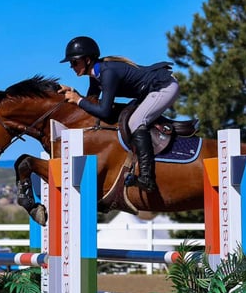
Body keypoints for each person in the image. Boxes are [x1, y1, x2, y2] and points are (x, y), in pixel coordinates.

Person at [58, 36, 179, 192]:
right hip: (148, 92)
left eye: (74, 62)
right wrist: (74, 94)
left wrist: (78, 100)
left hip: (164, 87)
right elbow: (91, 102)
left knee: (135, 122)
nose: (71, 66)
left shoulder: (107, 72)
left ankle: (147, 177)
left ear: (87, 60)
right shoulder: (96, 75)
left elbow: (105, 112)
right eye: (70, 63)